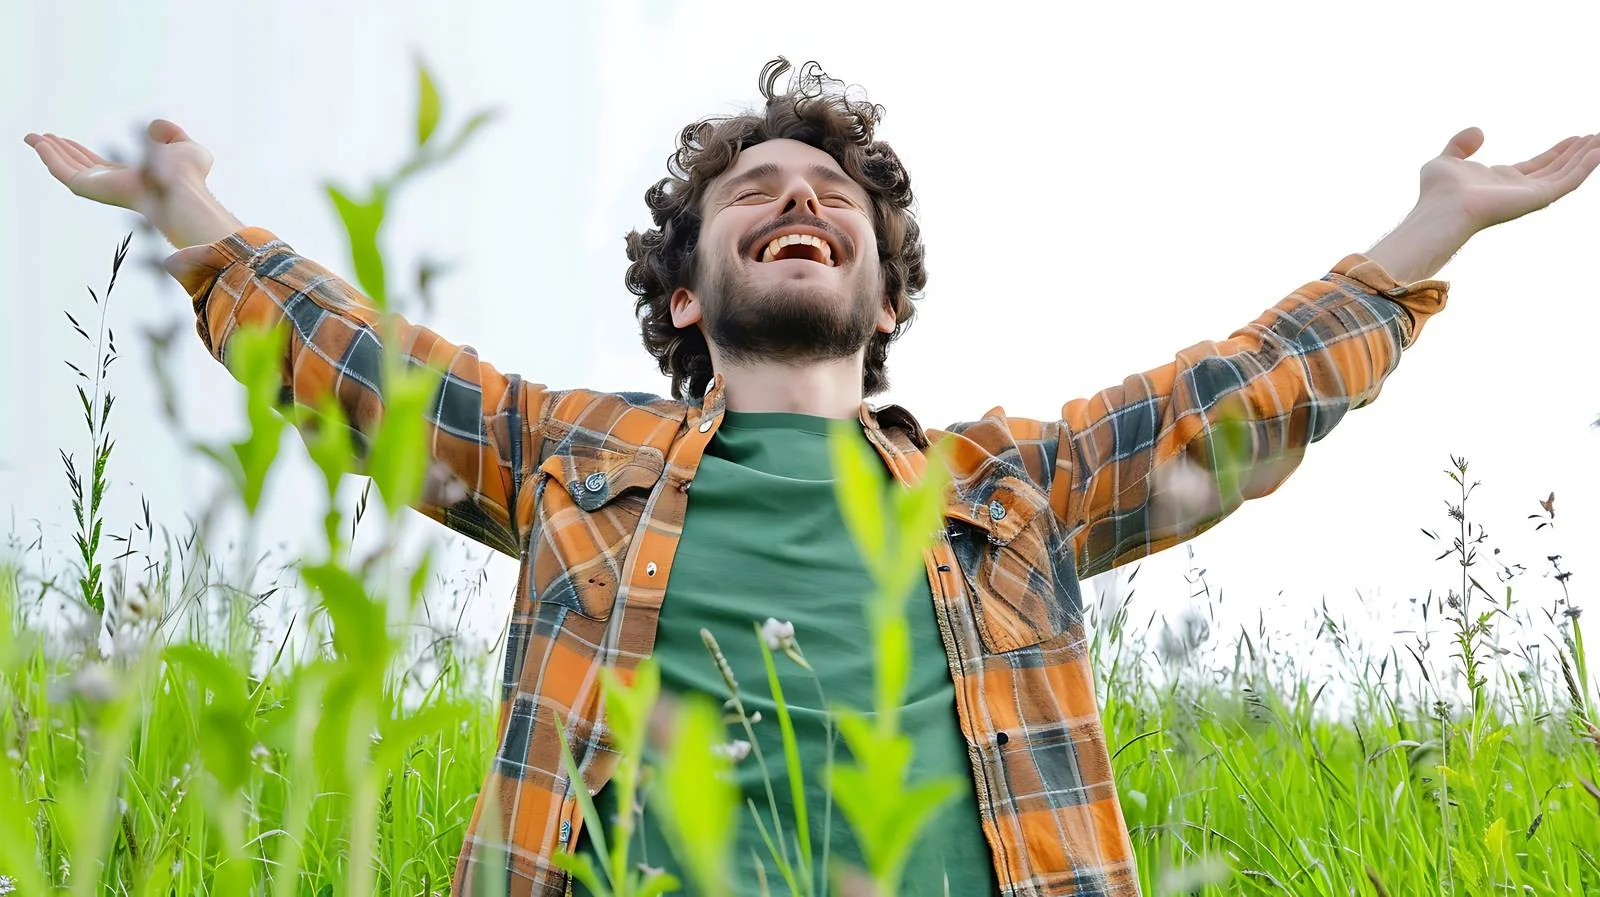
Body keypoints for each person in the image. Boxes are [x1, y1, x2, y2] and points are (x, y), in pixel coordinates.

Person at [23, 58, 1600, 897]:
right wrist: (198, 222)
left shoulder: (1008, 490)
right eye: (755, 192)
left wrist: (1428, 235)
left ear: (883, 291)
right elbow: (368, 371)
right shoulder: (577, 458)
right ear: (690, 292)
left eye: (829, 193)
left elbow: (1226, 407)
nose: (798, 202)